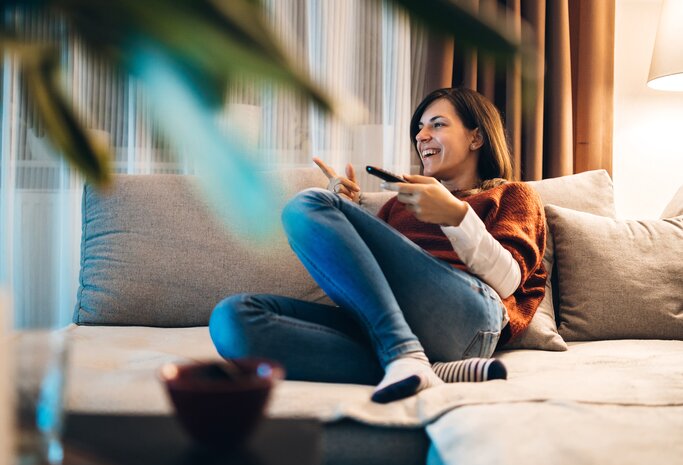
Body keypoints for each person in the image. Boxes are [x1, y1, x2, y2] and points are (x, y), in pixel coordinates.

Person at [209, 87, 547, 404]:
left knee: (305, 205)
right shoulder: (398, 205)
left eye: (437, 124)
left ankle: (403, 353)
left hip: (470, 318)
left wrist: (456, 216)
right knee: (232, 319)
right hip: (400, 326)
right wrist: (348, 212)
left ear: (476, 137)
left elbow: (508, 281)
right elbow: (369, 281)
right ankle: (426, 365)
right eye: (419, 127)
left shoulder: (512, 195)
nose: (421, 135)